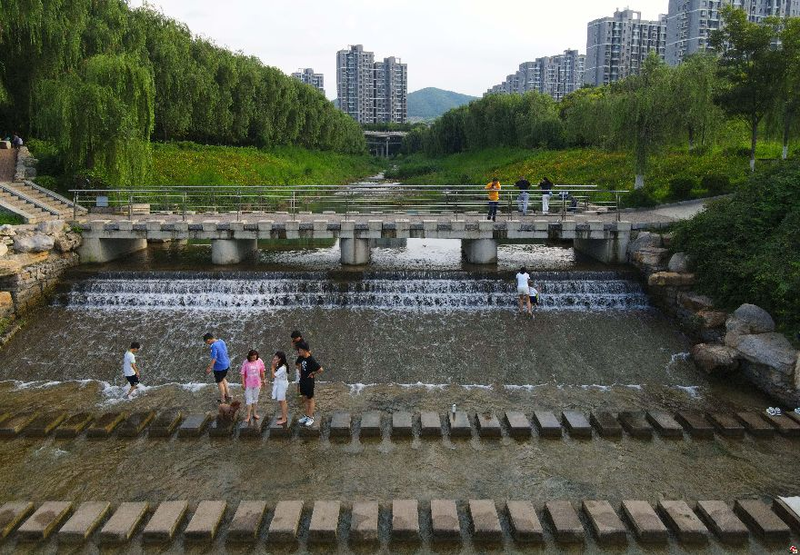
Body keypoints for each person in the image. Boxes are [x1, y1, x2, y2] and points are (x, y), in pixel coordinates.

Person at [295, 341, 323, 428]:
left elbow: (321, 369)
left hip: (309, 382)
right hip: (302, 380)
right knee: (305, 398)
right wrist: (300, 372)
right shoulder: (302, 357)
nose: (298, 351)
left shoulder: (311, 359)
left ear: (304, 350)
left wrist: (313, 373)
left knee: (310, 399)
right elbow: (297, 364)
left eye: (300, 350)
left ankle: (311, 417)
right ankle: (306, 416)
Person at [203, 332, 231, 403]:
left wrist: (210, 367)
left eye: (207, 342)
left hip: (219, 367)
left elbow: (214, 358)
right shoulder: (221, 341)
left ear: (208, 340)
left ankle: (222, 399)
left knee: (219, 382)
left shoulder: (213, 346)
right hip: (226, 364)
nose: (208, 344)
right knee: (223, 378)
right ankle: (228, 395)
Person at [240, 349, 265, 424]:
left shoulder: (260, 360)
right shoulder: (246, 362)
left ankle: (254, 413)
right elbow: (242, 373)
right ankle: (248, 415)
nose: (254, 358)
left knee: (255, 399)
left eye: (255, 357)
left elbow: (262, 371)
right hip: (248, 383)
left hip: (257, 383)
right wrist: (243, 383)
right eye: (252, 357)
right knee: (248, 400)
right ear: (249, 357)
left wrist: (263, 380)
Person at [271, 351, 290, 425]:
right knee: (281, 401)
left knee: (282, 401)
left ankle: (284, 418)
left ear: (280, 359)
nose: (274, 358)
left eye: (276, 357)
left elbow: (273, 376)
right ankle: (283, 415)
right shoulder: (281, 365)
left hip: (281, 385)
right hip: (280, 383)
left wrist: (272, 367)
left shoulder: (283, 368)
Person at [290, 330, 305, 395]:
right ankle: (299, 392)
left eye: (294, 338)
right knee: (299, 378)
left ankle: (300, 392)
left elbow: (308, 352)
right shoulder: (300, 342)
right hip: (301, 360)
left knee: (300, 377)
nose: (294, 339)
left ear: (298, 337)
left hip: (302, 360)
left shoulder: (302, 344)